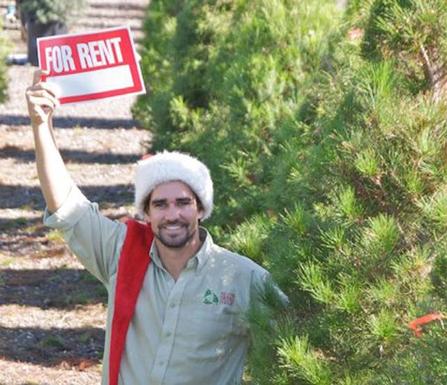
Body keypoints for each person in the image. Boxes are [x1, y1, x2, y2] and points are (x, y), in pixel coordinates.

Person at [25, 70, 285, 385]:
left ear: (201, 208)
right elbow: (65, 205)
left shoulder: (243, 278)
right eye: (160, 204)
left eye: (183, 202)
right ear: (146, 213)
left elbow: (299, 352)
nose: (172, 214)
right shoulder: (121, 253)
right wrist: (42, 125)